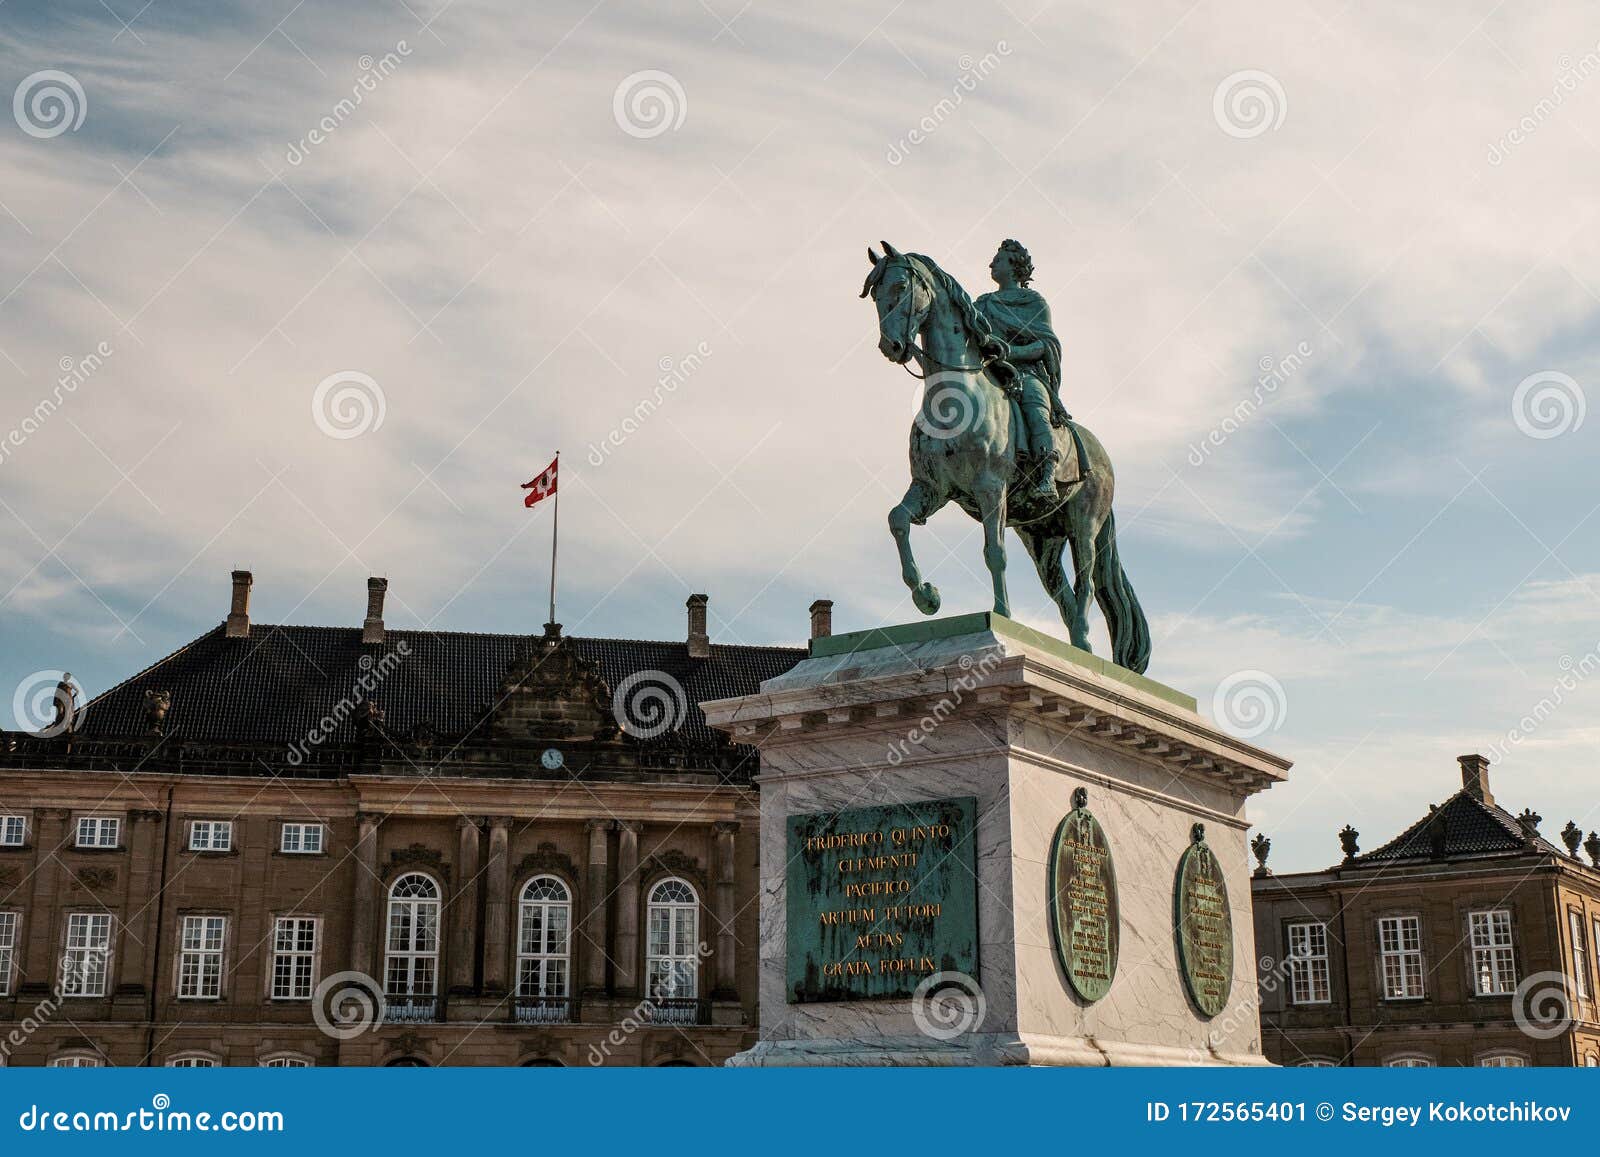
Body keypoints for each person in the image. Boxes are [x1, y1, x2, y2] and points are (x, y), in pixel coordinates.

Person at [976, 240, 1071, 499]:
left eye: (999, 260)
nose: (992, 264)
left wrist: (1012, 352)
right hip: (986, 369)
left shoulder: (1033, 302)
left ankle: (1046, 473)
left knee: (1034, 404)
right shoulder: (982, 304)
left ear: (1015, 266)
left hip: (1025, 372)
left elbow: (1046, 344)